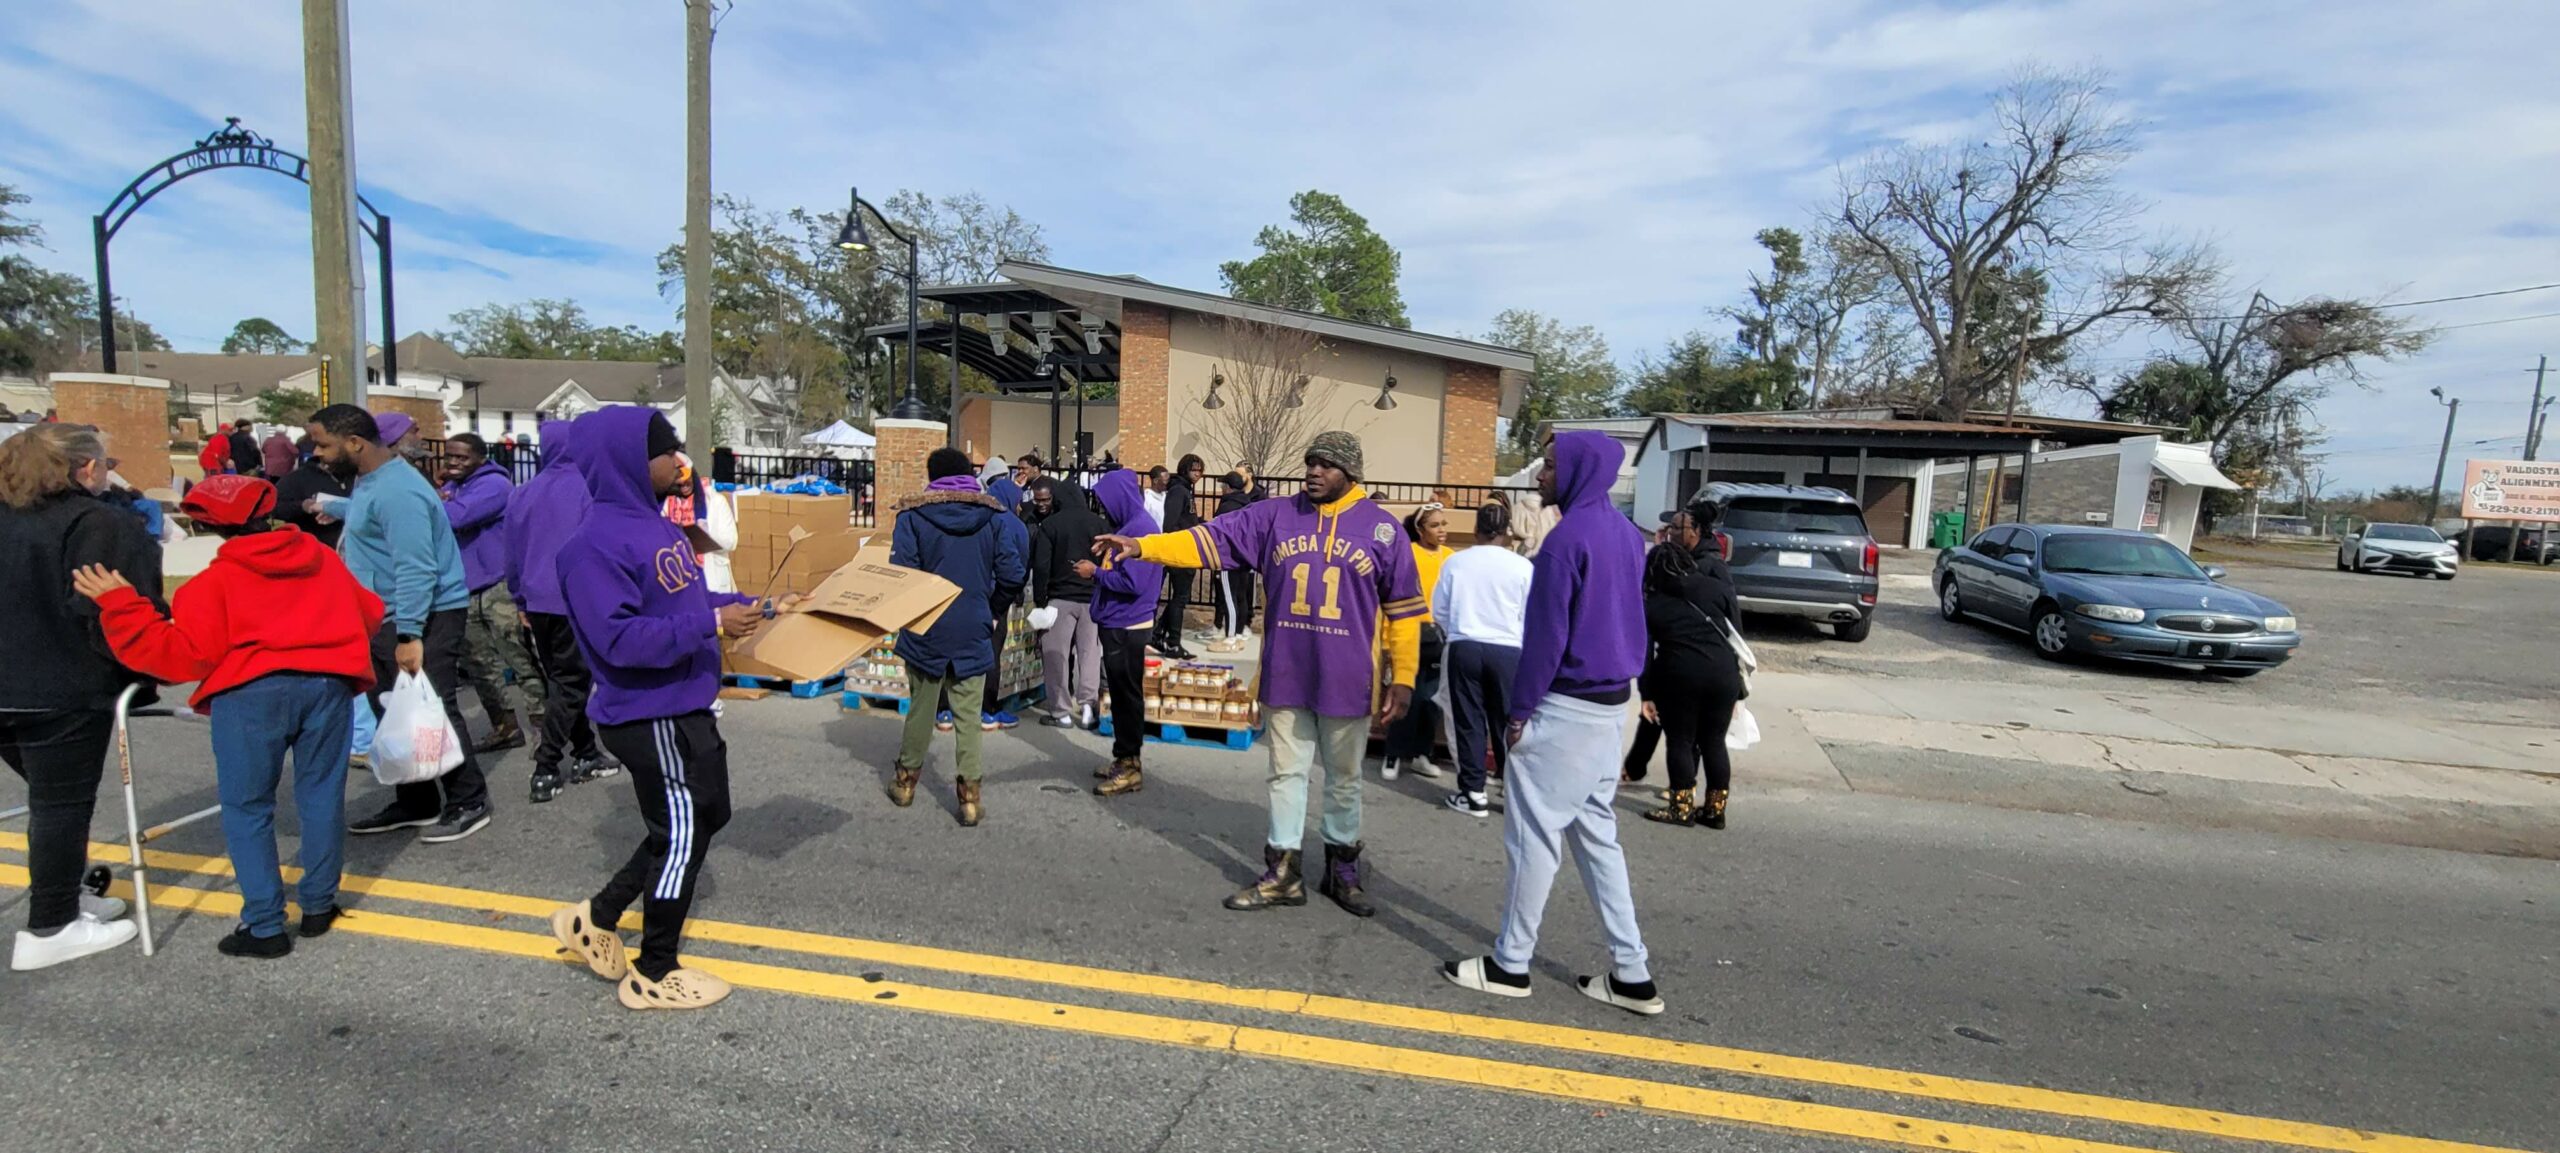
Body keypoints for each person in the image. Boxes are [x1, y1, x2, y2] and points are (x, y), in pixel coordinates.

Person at [1098, 430, 1422, 917]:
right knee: (1286, 773)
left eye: (1326, 465)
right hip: (1287, 670)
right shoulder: (1275, 516)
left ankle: (1342, 869)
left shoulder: (1382, 530)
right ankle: (1283, 870)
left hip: (1348, 676)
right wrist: (1142, 546)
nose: (1314, 472)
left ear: (1351, 474)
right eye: (1310, 462)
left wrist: (1405, 677)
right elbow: (1206, 540)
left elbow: (1405, 611)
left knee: (1345, 778)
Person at [76, 475, 380, 958]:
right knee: (321, 796)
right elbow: (370, 611)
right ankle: (319, 904)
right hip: (327, 685)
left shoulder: (212, 584)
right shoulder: (322, 559)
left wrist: (121, 605)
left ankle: (265, 924)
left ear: (208, 525)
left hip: (250, 694)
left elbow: (180, 657)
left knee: (247, 807)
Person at [548, 406, 764, 1011]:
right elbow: (619, 639)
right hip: (651, 713)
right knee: (683, 834)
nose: (679, 460)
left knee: (703, 815)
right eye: (667, 451)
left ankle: (597, 917)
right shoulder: (591, 547)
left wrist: (754, 605)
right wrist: (711, 625)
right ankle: (654, 969)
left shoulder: (659, 526)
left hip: (683, 704)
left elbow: (684, 602)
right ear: (628, 461)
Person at [1440, 431, 1662, 1017]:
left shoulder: (1567, 540)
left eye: (1551, 465)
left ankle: (1510, 964)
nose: (1541, 474)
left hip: (1565, 707)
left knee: (1533, 839)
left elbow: (1545, 639)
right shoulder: (1627, 536)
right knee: (1597, 839)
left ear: (1580, 471)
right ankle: (1632, 972)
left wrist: (1519, 713)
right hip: (1610, 706)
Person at [0, 424, 158, 970]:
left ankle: (64, 897)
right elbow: (114, 610)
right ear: (87, 468)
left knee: (50, 801)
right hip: (60, 686)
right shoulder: (99, 522)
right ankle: (50, 925)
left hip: (16, 685)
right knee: (59, 806)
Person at [305, 404, 492, 845]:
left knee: (432, 707)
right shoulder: (372, 480)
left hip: (422, 613)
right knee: (393, 709)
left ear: (355, 443)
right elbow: (373, 523)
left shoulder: (398, 490)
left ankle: (469, 799)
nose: (317, 454)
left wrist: (409, 633)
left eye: (323, 444)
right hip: (384, 613)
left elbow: (416, 567)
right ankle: (417, 801)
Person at [886, 447, 1028, 827]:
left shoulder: (912, 516)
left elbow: (901, 573)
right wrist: (992, 609)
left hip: (926, 625)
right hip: (973, 626)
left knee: (922, 708)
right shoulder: (993, 516)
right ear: (969, 474)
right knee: (968, 714)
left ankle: (905, 783)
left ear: (932, 477)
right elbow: (1013, 574)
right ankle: (970, 798)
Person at [503, 420, 618, 803]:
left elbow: (511, 554)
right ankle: (546, 765)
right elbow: (598, 548)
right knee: (571, 684)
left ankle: (586, 752)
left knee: (562, 682)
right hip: (575, 599)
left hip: (537, 600)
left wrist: (519, 598)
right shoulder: (589, 489)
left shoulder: (522, 493)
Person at [1637, 526, 1746, 830]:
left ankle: (1681, 807)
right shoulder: (1717, 589)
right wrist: (1739, 691)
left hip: (1680, 675)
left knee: (1681, 741)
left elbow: (1645, 653)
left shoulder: (1653, 603)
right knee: (1714, 741)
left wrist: (1647, 694)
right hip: (1723, 674)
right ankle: (1714, 810)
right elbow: (1736, 636)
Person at [440, 433, 540, 753]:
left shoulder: (495, 485)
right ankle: (505, 726)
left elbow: (455, 517)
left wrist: (439, 500)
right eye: (449, 456)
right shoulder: (455, 487)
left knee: (520, 659)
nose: (454, 462)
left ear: (481, 458)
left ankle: (543, 726)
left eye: (462, 457)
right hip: (465, 588)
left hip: (498, 586)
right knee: (480, 666)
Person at [1433, 501, 1533, 817]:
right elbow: (1530, 613)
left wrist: (1455, 631)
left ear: (1476, 529)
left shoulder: (1455, 562)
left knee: (1468, 720)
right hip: (1508, 648)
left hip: (1465, 644)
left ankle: (1473, 793)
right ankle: (1512, 789)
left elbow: (1440, 610)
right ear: (1506, 532)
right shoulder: (1523, 566)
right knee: (1507, 721)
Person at [1086, 468, 1164, 797]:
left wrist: (1094, 573)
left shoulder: (1141, 531)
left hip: (1128, 625)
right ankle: (1123, 757)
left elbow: (1134, 583)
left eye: (1106, 502)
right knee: (1119, 695)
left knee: (1127, 695)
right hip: (1117, 621)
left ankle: (1130, 765)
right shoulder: (1127, 528)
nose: (1103, 509)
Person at [1621, 510, 1712, 782]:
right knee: (1656, 715)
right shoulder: (1684, 561)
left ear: (1695, 531)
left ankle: (1682, 787)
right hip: (1676, 659)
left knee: (1681, 730)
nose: (1670, 531)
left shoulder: (1705, 567)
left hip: (1687, 662)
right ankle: (1636, 767)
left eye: (1675, 527)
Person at [1381, 502, 1454, 783]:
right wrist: (1387, 642)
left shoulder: (1450, 557)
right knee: (1404, 697)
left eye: (1443, 524)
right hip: (1411, 634)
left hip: (1439, 636)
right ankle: (1393, 754)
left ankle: (1423, 753)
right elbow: (1393, 597)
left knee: (1431, 700)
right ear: (1420, 530)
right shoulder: (1408, 553)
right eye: (1435, 525)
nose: (1441, 530)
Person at [1026, 476, 1105, 730]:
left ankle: (1060, 711)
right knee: (1090, 654)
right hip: (1092, 599)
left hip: (1059, 599)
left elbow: (1041, 566)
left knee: (1056, 656)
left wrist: (1041, 601)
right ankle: (1088, 708)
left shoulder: (1051, 525)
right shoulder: (1099, 524)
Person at [1204, 462, 1264, 654]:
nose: (1222, 488)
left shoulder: (1227, 507)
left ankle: (1230, 638)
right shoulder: (1248, 505)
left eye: (1223, 485)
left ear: (1229, 488)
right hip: (1245, 559)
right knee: (1241, 597)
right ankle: (1238, 633)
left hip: (1228, 559)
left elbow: (1217, 534)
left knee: (1229, 598)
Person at [1151, 454, 1207, 660]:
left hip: (1186, 548)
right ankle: (1173, 643)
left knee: (1181, 597)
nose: (1197, 474)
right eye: (1194, 469)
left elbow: (1185, 519)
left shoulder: (1185, 490)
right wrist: (1182, 541)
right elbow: (1170, 523)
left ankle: (1159, 634)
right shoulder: (1179, 491)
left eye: (1200, 470)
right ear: (1185, 469)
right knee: (1180, 599)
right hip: (1179, 550)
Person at [274, 435, 347, 550]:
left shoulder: (361, 476)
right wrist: (302, 506)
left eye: (323, 446)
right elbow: (275, 507)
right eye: (319, 446)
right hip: (316, 549)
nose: (318, 452)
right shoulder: (297, 478)